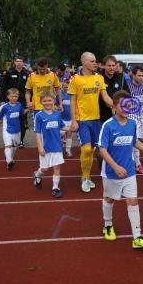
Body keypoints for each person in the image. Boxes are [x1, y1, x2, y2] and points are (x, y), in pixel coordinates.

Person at [98, 90, 143, 249]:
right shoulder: (107, 126)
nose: (126, 108)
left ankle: (137, 237)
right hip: (111, 172)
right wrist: (115, 167)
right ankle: (108, 225)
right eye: (123, 105)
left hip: (129, 171)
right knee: (109, 199)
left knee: (133, 200)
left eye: (129, 105)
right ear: (114, 107)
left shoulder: (132, 124)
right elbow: (102, 149)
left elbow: (135, 142)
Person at [69, 52, 113, 193]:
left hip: (96, 120)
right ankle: (85, 177)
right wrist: (74, 121)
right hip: (82, 120)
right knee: (86, 149)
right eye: (92, 61)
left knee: (96, 150)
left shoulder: (99, 78)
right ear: (84, 63)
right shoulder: (75, 79)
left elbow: (105, 97)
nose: (95, 63)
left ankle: (89, 176)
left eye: (96, 61)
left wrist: (118, 106)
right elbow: (72, 100)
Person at [33, 92, 68, 198]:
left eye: (50, 100)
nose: (47, 103)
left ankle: (55, 188)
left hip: (57, 146)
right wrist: (40, 147)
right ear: (41, 102)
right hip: (45, 147)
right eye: (45, 101)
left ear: (53, 101)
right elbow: (38, 133)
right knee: (44, 169)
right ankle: (37, 174)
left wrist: (73, 128)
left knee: (57, 167)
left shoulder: (57, 114)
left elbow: (62, 126)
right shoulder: (39, 116)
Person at [126, 66, 143, 174]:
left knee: (140, 140)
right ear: (133, 75)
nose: (142, 78)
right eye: (139, 75)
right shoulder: (127, 86)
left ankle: (134, 160)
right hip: (131, 116)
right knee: (133, 140)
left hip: (142, 116)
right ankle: (137, 163)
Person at [0, 57, 29, 147]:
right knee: (11, 120)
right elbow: (4, 86)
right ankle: (10, 139)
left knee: (22, 120)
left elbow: (29, 89)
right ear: (14, 63)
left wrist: (29, 102)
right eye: (17, 61)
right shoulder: (9, 72)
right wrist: (2, 100)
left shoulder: (27, 74)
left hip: (22, 101)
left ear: (23, 63)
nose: (19, 63)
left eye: (21, 61)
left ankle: (21, 141)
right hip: (11, 100)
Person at [0, 88, 24, 170]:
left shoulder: (19, 105)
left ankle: (11, 158)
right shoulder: (5, 107)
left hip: (17, 130)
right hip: (7, 130)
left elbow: (22, 113)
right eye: (12, 96)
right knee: (8, 146)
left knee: (15, 146)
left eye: (16, 96)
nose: (14, 98)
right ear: (8, 97)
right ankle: (9, 161)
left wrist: (30, 109)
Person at [25, 57, 62, 121]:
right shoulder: (31, 76)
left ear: (47, 66)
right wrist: (28, 102)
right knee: (39, 129)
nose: (42, 71)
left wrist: (60, 103)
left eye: (44, 69)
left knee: (51, 127)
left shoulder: (53, 75)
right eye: (40, 69)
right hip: (37, 107)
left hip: (50, 106)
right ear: (37, 67)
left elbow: (58, 90)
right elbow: (28, 92)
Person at [57, 81, 74, 157]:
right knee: (61, 135)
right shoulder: (60, 96)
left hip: (70, 119)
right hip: (62, 119)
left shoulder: (72, 96)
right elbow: (55, 105)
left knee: (69, 134)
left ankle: (68, 150)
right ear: (62, 87)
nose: (66, 88)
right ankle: (59, 150)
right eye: (65, 87)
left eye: (67, 87)